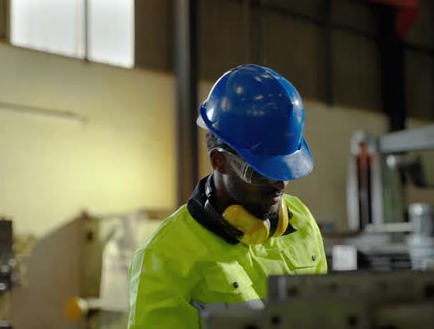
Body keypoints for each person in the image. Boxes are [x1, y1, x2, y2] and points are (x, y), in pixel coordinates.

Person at [127, 64, 327, 328]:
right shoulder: (165, 256)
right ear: (219, 160)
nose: (280, 185)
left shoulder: (301, 221)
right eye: (261, 172)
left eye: (285, 171)